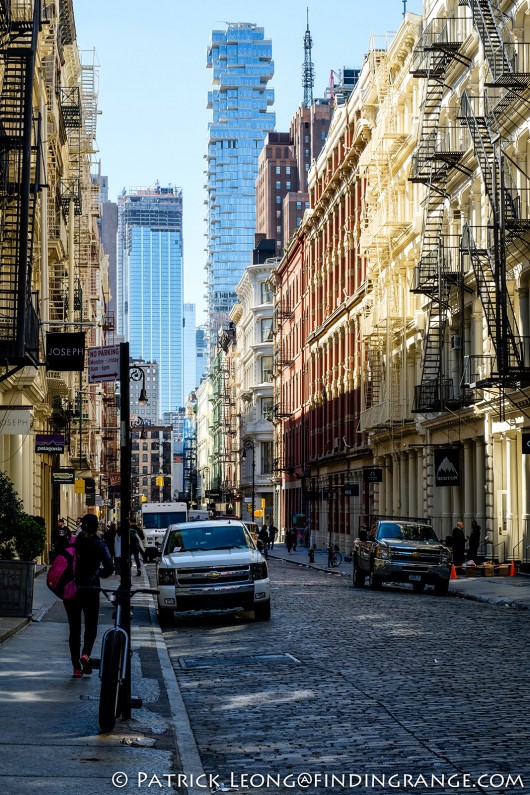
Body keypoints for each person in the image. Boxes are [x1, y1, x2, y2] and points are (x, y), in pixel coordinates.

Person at [63, 514, 113, 678]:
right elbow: (109, 567)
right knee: (91, 626)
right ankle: (85, 654)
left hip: (72, 589)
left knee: (74, 629)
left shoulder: (73, 542)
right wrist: (98, 573)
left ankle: (76, 668)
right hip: (91, 589)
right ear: (95, 527)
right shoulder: (99, 544)